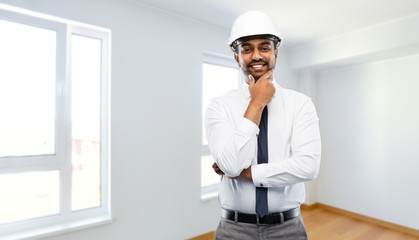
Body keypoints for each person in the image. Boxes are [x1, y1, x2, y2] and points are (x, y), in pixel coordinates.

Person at [205, 10, 321, 240]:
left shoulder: (301, 104)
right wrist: (257, 103)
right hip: (234, 229)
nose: (256, 55)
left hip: (287, 228)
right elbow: (230, 165)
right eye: (247, 49)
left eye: (264, 47)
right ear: (237, 57)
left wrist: (247, 173)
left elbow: (308, 166)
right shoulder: (219, 106)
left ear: (276, 52)